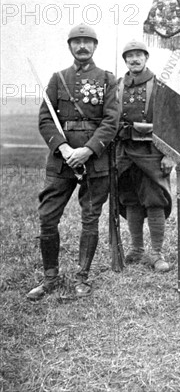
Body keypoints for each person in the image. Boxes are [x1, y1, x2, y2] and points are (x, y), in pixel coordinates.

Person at [27, 24, 119, 300]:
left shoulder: (107, 79)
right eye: (77, 42)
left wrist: (88, 150)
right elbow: (45, 118)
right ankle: (50, 277)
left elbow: (111, 121)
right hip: (61, 161)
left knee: (90, 218)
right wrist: (64, 147)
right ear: (70, 46)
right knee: (47, 217)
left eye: (87, 42)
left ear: (95, 46)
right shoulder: (58, 79)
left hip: (95, 161)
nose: (82, 46)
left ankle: (82, 277)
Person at [116, 40, 174, 272]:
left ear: (146, 58)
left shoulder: (160, 85)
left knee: (154, 200)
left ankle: (156, 253)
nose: (135, 59)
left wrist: (168, 154)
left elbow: (170, 122)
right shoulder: (118, 85)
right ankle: (137, 249)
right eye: (130, 56)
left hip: (151, 152)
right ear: (125, 60)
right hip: (124, 152)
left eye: (139, 55)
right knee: (130, 199)